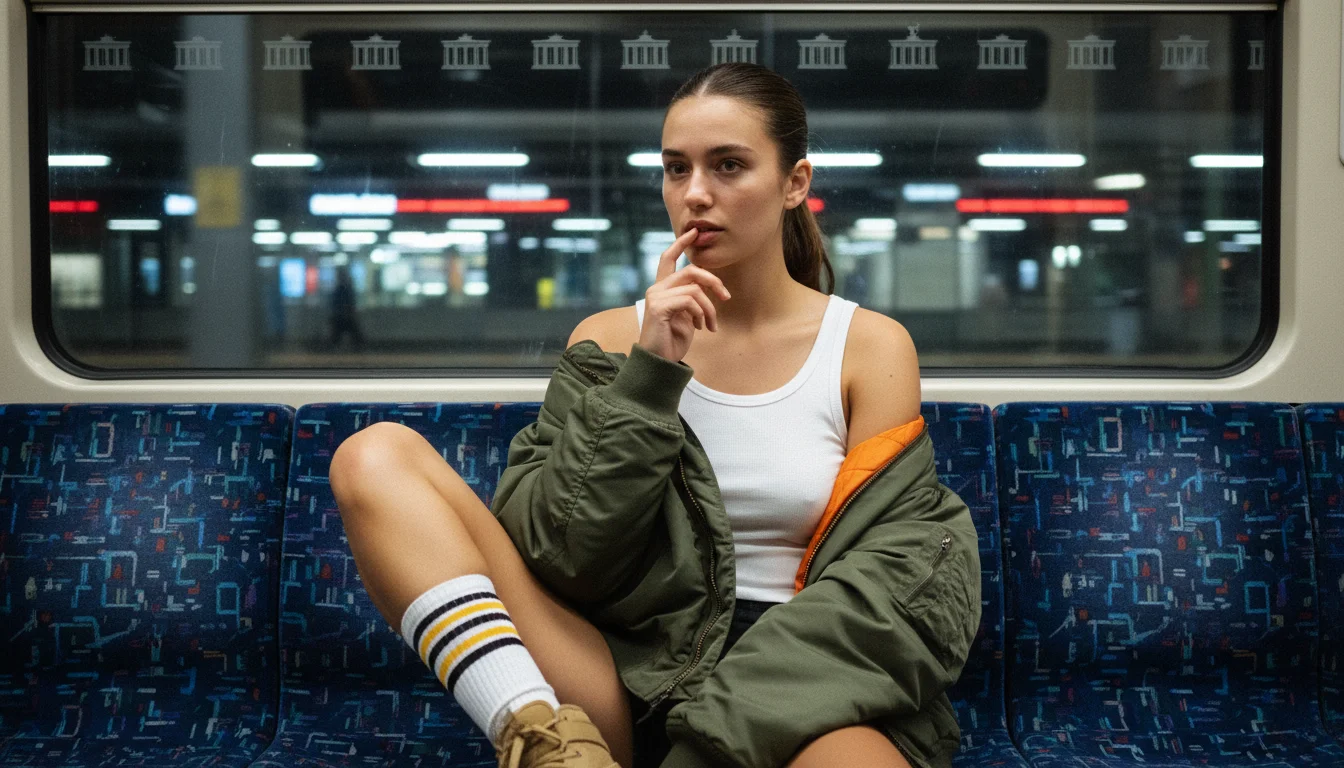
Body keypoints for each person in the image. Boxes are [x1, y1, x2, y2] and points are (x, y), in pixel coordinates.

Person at [329, 62, 980, 768]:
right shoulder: (609, 340)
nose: (695, 194)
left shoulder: (867, 348)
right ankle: (540, 734)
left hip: (803, 681)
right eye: (677, 169)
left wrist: (707, 740)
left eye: (728, 165)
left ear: (796, 184)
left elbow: (895, 579)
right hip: (626, 668)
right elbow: (565, 560)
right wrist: (647, 377)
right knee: (374, 457)